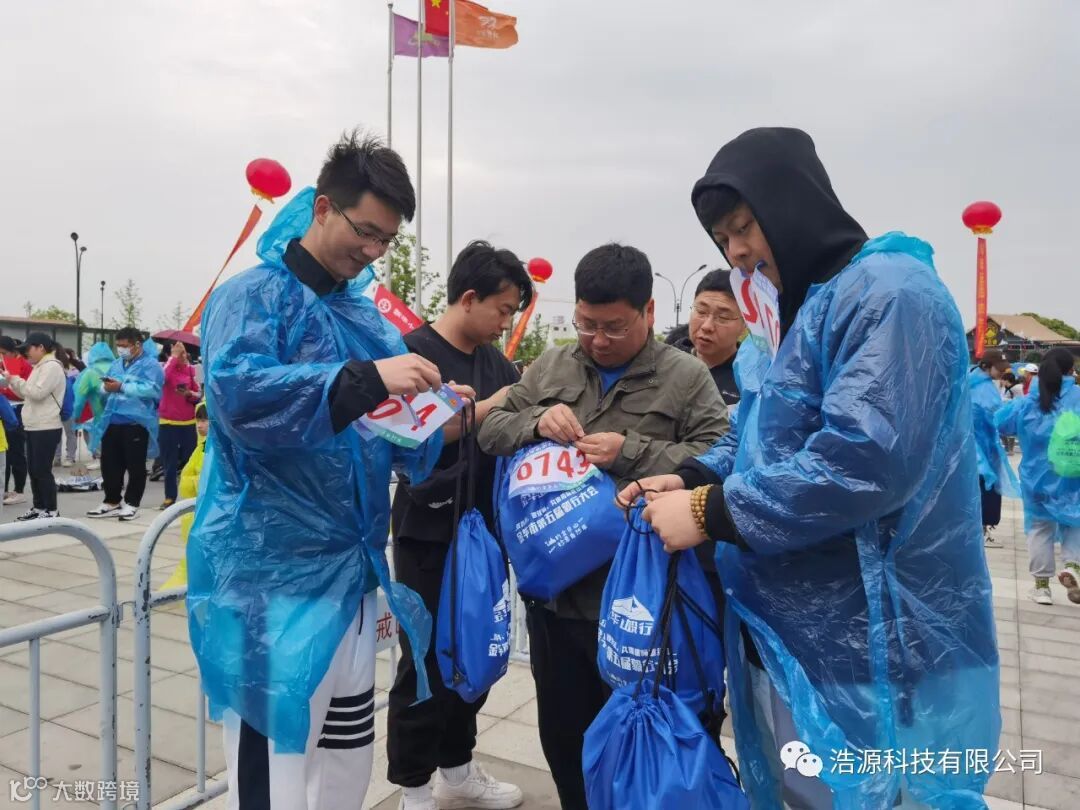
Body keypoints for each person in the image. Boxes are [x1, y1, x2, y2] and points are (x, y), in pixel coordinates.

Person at [623, 128, 999, 808]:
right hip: (790, 635)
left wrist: (711, 512)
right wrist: (694, 478)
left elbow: (865, 458)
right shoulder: (791, 319)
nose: (736, 252)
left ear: (791, 201)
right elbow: (758, 438)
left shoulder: (888, 295)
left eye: (744, 226)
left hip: (873, 647)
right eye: (722, 239)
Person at [187, 131, 459, 810]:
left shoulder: (363, 317)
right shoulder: (251, 298)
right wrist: (366, 379)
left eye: (386, 240)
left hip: (351, 576)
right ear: (322, 207)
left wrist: (436, 417)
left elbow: (387, 435)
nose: (373, 251)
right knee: (276, 768)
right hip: (271, 581)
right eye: (365, 231)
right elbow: (240, 399)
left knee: (343, 762)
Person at [477, 243, 728, 810]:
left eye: (614, 327)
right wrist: (535, 421)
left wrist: (630, 451)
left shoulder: (685, 377)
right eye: (586, 324)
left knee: (652, 747)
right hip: (558, 599)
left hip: (642, 602)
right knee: (566, 741)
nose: (598, 339)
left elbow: (720, 456)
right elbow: (490, 430)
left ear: (648, 312)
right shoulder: (553, 365)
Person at [388, 241, 532, 810]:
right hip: (428, 531)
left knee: (477, 647)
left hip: (485, 534)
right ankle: (414, 787)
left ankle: (458, 767)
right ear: (469, 297)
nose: (505, 322)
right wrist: (483, 409)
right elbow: (403, 439)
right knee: (424, 659)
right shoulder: (410, 355)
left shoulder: (498, 363)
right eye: (502, 309)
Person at [996, 348, 1080, 606]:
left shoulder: (1028, 401)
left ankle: (1042, 588)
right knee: (1075, 522)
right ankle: (1073, 566)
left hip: (1037, 477)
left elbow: (1000, 423)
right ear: (1071, 370)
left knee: (1040, 528)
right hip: (1073, 475)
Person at [85, 327, 164, 522]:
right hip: (112, 419)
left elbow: (153, 390)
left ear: (137, 344)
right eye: (118, 346)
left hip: (136, 422)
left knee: (135, 465)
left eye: (124, 346)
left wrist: (122, 387)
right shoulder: (116, 364)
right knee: (109, 463)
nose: (120, 349)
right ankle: (111, 501)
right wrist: (106, 387)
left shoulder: (151, 365)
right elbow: (105, 389)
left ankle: (132, 503)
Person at [0, 333, 68, 520]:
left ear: (41, 347)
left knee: (42, 470)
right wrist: (12, 381)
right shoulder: (39, 366)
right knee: (34, 470)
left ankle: (51, 510)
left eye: (28, 349)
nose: (26, 354)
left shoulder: (52, 366)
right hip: (34, 425)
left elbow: (37, 393)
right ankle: (39, 507)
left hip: (46, 426)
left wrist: (14, 379)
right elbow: (25, 394)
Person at [669, 269, 744, 406]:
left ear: (745, 324)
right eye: (701, 311)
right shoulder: (665, 363)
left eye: (723, 317)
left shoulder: (749, 379)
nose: (707, 326)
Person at [971, 349, 1018, 546]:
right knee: (985, 491)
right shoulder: (983, 388)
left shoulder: (974, 383)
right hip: (982, 450)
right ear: (985, 366)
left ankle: (980, 531)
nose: (1001, 372)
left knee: (980, 490)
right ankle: (982, 532)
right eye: (998, 369)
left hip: (978, 449)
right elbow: (995, 416)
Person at [160, 401, 208, 590]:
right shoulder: (202, 447)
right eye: (198, 420)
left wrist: (193, 482)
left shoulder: (213, 449)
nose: (200, 425)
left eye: (205, 420)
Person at [158, 340, 201, 508]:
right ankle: (170, 496)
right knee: (169, 462)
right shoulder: (166, 368)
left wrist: (189, 394)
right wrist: (173, 358)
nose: (182, 356)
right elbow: (161, 379)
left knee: (191, 461)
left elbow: (198, 394)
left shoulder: (190, 370)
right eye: (177, 352)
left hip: (188, 422)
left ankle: (194, 495)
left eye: (183, 352)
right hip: (168, 422)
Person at [1, 335, 32, 505]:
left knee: (16, 451)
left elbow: (19, 391)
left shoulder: (17, 363)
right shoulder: (7, 362)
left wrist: (4, 390)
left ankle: (19, 490)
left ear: (12, 351)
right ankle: (4, 489)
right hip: (6, 408)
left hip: (17, 409)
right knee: (4, 452)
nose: (1, 356)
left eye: (3, 352)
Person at [52, 346, 81, 468]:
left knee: (70, 433)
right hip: (57, 409)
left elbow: (70, 394)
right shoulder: (57, 373)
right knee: (57, 434)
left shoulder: (71, 373)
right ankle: (57, 457)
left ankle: (70, 457)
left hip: (68, 409)